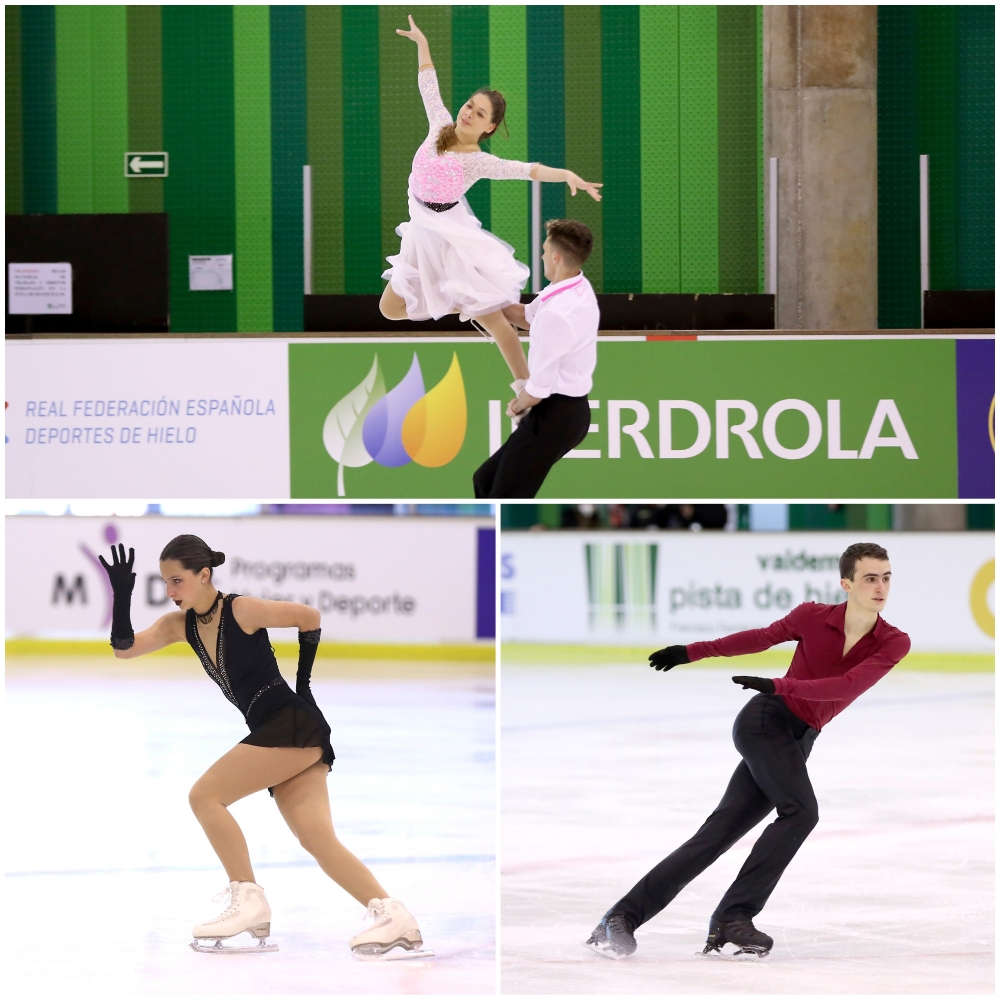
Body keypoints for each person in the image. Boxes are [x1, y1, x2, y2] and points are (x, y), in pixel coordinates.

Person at [99, 535, 430, 959]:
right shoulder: (177, 626)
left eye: (177, 581)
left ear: (205, 575)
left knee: (205, 796)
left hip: (289, 724)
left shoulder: (242, 609)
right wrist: (122, 595)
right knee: (316, 837)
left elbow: (308, 616)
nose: (170, 592)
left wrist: (304, 685)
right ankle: (391, 914)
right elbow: (124, 650)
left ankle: (249, 899)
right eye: (165, 583)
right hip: (285, 733)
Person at [585, 542, 910, 961]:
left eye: (886, 577)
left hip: (799, 736)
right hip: (765, 721)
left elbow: (846, 686)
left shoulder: (892, 642)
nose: (880, 586)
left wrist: (781, 683)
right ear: (846, 583)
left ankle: (621, 918)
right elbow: (761, 638)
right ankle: (734, 918)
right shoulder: (812, 616)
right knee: (801, 811)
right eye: (870, 578)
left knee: (717, 834)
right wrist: (691, 651)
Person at [381, 15, 602, 386]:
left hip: (450, 236)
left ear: (490, 127)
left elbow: (527, 169)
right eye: (469, 105)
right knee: (390, 309)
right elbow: (428, 85)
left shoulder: (478, 162)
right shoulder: (439, 125)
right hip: (421, 230)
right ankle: (466, 302)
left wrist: (566, 175)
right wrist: (422, 43)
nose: (468, 113)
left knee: (496, 324)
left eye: (479, 113)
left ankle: (528, 388)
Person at [472, 219, 599, 498]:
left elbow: (538, 389)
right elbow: (526, 317)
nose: (542, 256)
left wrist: (517, 405)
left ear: (555, 256)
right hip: (564, 413)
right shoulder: (574, 286)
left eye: (544, 250)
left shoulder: (557, 313)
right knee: (484, 480)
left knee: (505, 495)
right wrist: (479, 295)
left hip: (556, 416)